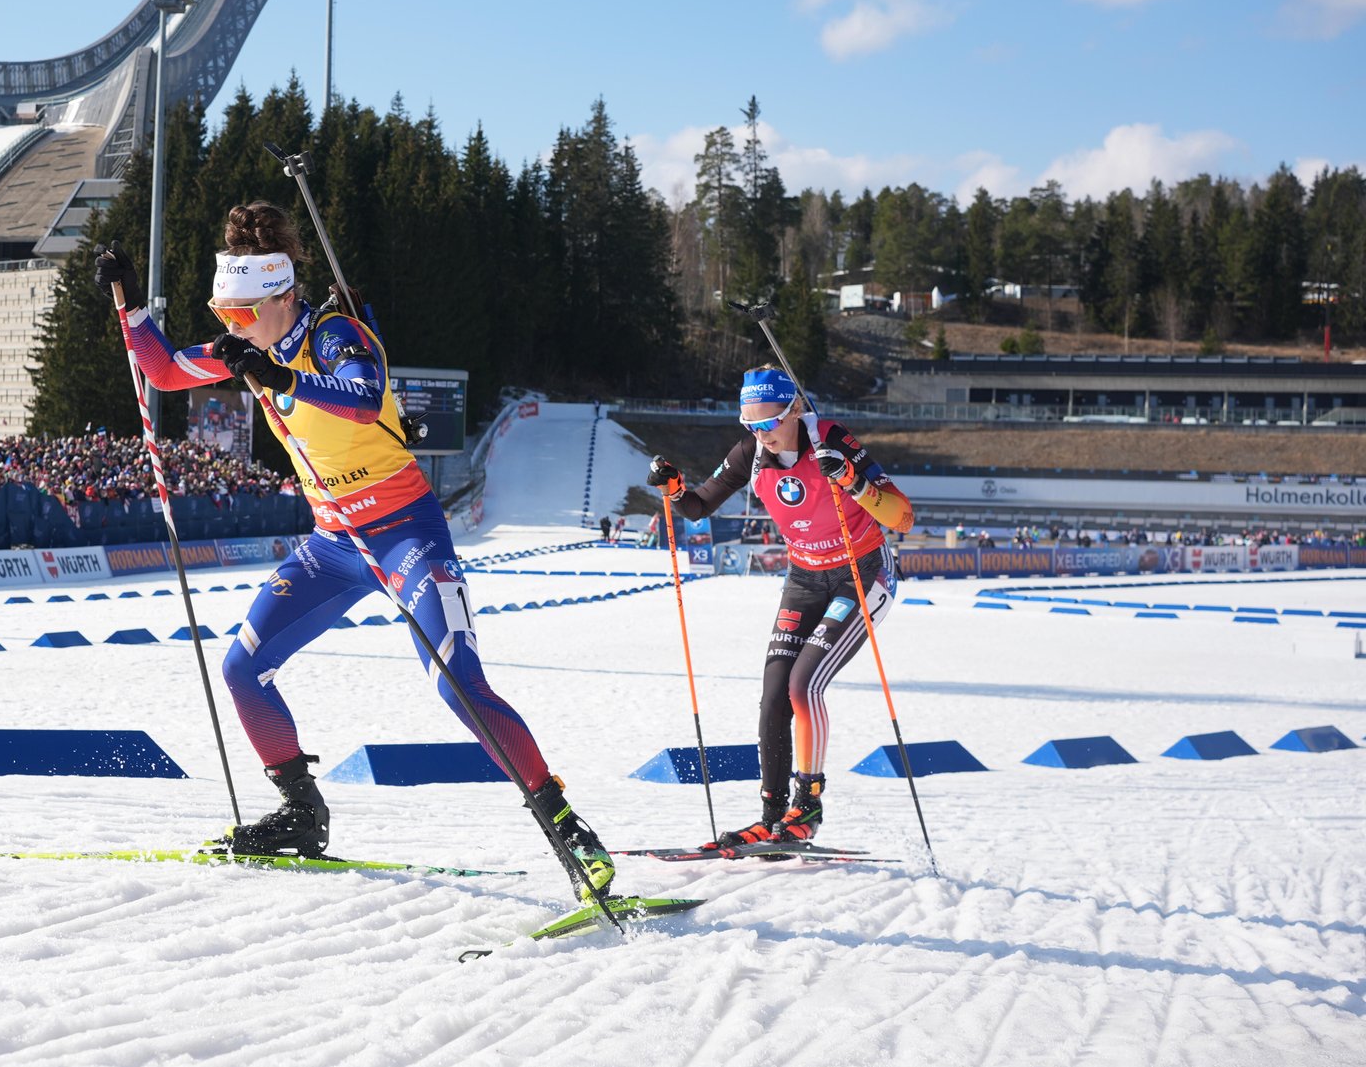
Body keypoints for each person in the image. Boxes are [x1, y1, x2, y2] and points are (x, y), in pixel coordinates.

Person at [96, 203, 617, 901]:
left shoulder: (335, 335)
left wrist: (277, 377)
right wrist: (130, 302)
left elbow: (365, 398)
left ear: (284, 296)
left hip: (406, 532)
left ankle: (566, 825)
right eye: (225, 315)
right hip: (333, 541)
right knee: (243, 667)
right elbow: (160, 371)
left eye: (244, 315)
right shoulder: (246, 345)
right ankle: (300, 812)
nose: (232, 329)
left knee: (456, 681)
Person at [646, 365, 915, 848]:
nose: (761, 434)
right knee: (774, 695)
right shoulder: (751, 450)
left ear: (794, 409)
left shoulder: (830, 438)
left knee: (803, 683)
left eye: (769, 422)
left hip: (862, 574)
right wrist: (673, 488)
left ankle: (806, 805)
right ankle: (771, 816)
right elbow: (697, 506)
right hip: (804, 579)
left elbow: (903, 516)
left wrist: (855, 482)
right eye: (750, 424)